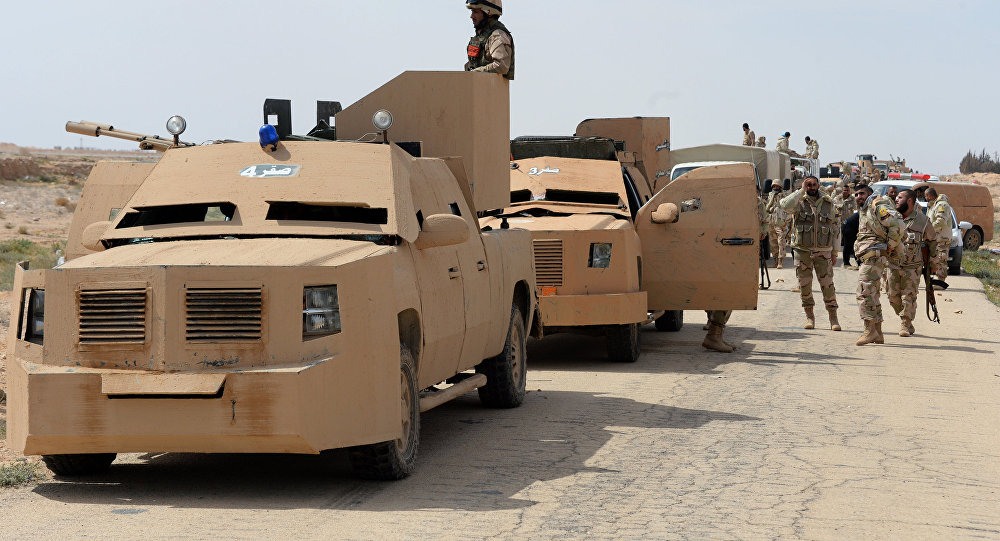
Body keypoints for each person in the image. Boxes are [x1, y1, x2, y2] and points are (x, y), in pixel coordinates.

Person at [703, 192, 770, 353]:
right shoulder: (721, 200)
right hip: (728, 250)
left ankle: (715, 332)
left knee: (728, 293)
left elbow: (762, 229)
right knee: (728, 293)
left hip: (732, 249)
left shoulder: (717, 199)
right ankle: (713, 335)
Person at [780, 176, 841, 331]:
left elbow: (835, 229)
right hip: (802, 251)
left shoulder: (828, 203)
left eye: (814, 185)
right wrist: (801, 190)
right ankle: (810, 317)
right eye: (809, 185)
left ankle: (833, 318)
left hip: (823, 251)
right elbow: (784, 205)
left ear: (818, 186)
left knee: (828, 286)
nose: (811, 187)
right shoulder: (798, 202)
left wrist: (835, 251)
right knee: (804, 286)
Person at [853, 186, 904, 346]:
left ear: (869, 193)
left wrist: (890, 244)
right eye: (856, 194)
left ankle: (869, 330)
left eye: (861, 193)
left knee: (864, 291)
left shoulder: (877, 204)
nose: (858, 197)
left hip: (875, 255)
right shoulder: (866, 208)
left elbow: (897, 225)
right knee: (872, 293)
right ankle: (878, 332)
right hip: (871, 255)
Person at [888, 189, 937, 337]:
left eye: (900, 197)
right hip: (893, 264)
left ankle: (905, 323)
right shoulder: (891, 218)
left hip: (913, 266)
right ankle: (907, 320)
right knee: (893, 297)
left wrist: (933, 263)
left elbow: (933, 242)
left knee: (908, 296)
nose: (896, 199)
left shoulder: (923, 221)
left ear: (910, 201)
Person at [464, 1, 514, 80]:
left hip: (491, 90)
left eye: (476, 12)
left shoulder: (497, 36)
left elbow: (501, 66)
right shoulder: (482, 36)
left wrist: (473, 73)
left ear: (488, 13)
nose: (472, 16)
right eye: (472, 11)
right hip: (477, 88)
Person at [925, 187, 953, 282]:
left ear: (929, 195)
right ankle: (934, 280)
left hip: (942, 238)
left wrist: (928, 230)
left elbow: (940, 222)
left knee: (941, 259)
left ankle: (941, 281)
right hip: (935, 238)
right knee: (935, 260)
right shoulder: (933, 205)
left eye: (926, 196)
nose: (925, 198)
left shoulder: (942, 205)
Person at [766, 184, 791, 268]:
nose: (775, 188)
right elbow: (767, 209)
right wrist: (772, 199)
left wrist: (787, 222)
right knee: (773, 244)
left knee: (781, 242)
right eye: (774, 186)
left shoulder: (785, 196)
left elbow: (789, 210)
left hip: (781, 223)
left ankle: (780, 262)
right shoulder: (770, 196)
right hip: (772, 223)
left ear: (780, 187)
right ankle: (775, 261)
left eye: (777, 186)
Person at [834, 184, 859, 267]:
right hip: (838, 224)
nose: (846, 192)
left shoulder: (853, 199)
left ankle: (850, 261)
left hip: (850, 225)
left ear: (850, 191)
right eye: (844, 190)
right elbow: (832, 209)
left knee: (849, 243)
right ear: (842, 190)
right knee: (837, 242)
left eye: (847, 190)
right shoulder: (836, 199)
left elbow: (856, 210)